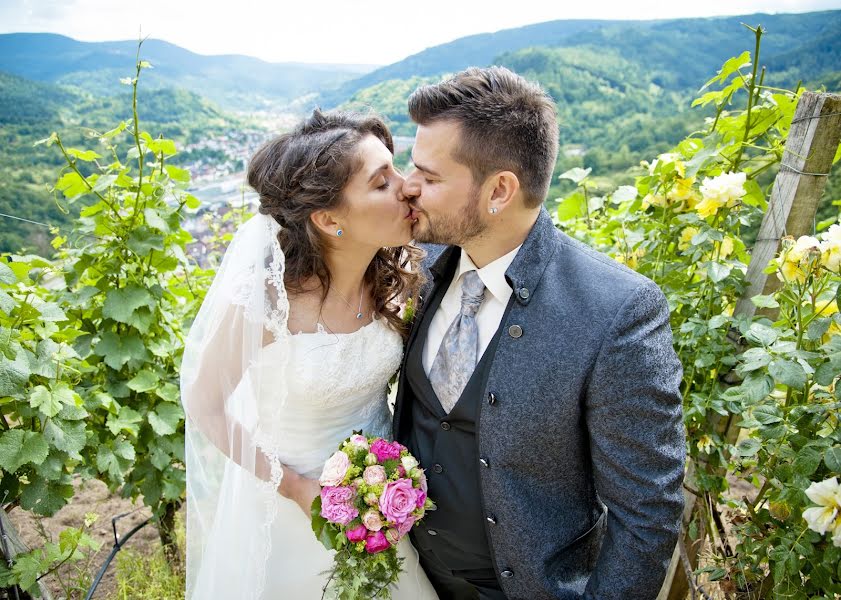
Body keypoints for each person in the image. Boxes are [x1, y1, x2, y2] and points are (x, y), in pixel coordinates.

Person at [393, 66, 686, 599]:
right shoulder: (416, 259)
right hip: (405, 579)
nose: (407, 187)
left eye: (430, 177)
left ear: (499, 191)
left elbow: (647, 515)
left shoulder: (617, 312)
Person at [180, 110, 438, 599]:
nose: (408, 187)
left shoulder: (394, 277)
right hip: (295, 506)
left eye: (397, 170)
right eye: (383, 183)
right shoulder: (267, 301)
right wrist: (299, 490)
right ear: (327, 218)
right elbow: (205, 406)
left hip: (383, 500)